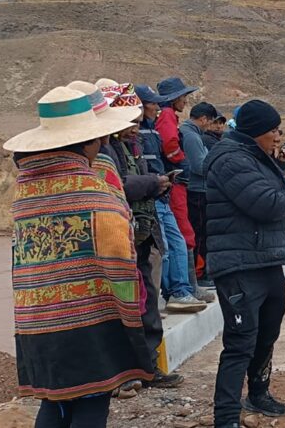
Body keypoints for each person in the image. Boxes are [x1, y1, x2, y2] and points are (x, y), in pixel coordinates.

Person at [6, 86, 156, 427]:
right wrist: (130, 310)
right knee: (91, 403)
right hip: (86, 323)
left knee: (55, 403)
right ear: (86, 143)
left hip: (36, 319)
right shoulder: (93, 191)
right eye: (97, 139)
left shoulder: (25, 190)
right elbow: (119, 255)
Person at [203, 99, 285, 426]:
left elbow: (274, 196)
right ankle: (226, 417)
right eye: (274, 130)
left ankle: (258, 393)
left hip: (263, 260)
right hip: (239, 265)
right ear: (256, 131)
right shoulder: (231, 160)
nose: (278, 136)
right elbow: (268, 205)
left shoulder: (254, 157)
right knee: (240, 343)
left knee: (266, 334)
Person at [98, 79, 187, 389]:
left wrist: (157, 184)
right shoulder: (104, 150)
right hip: (117, 238)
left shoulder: (129, 145)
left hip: (139, 234)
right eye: (130, 123)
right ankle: (125, 373)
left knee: (145, 301)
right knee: (123, 305)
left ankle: (148, 367)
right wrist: (152, 183)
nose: (135, 128)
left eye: (137, 122)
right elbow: (117, 185)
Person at [135, 84, 204, 313]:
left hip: (161, 192)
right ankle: (175, 292)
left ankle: (182, 290)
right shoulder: (162, 119)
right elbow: (170, 147)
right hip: (156, 194)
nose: (156, 106)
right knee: (166, 246)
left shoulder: (153, 127)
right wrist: (181, 163)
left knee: (176, 241)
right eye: (152, 103)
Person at [156, 77, 199, 288]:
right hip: (176, 182)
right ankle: (186, 286)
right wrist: (181, 161)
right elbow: (170, 143)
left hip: (176, 181)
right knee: (182, 229)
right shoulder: (167, 115)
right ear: (174, 99)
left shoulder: (168, 115)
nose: (185, 100)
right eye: (183, 96)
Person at [181, 102, 219, 288]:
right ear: (203, 119)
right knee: (199, 234)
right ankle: (200, 274)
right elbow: (199, 166)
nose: (209, 126)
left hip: (198, 189)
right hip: (196, 191)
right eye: (210, 122)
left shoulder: (192, 134)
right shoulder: (191, 136)